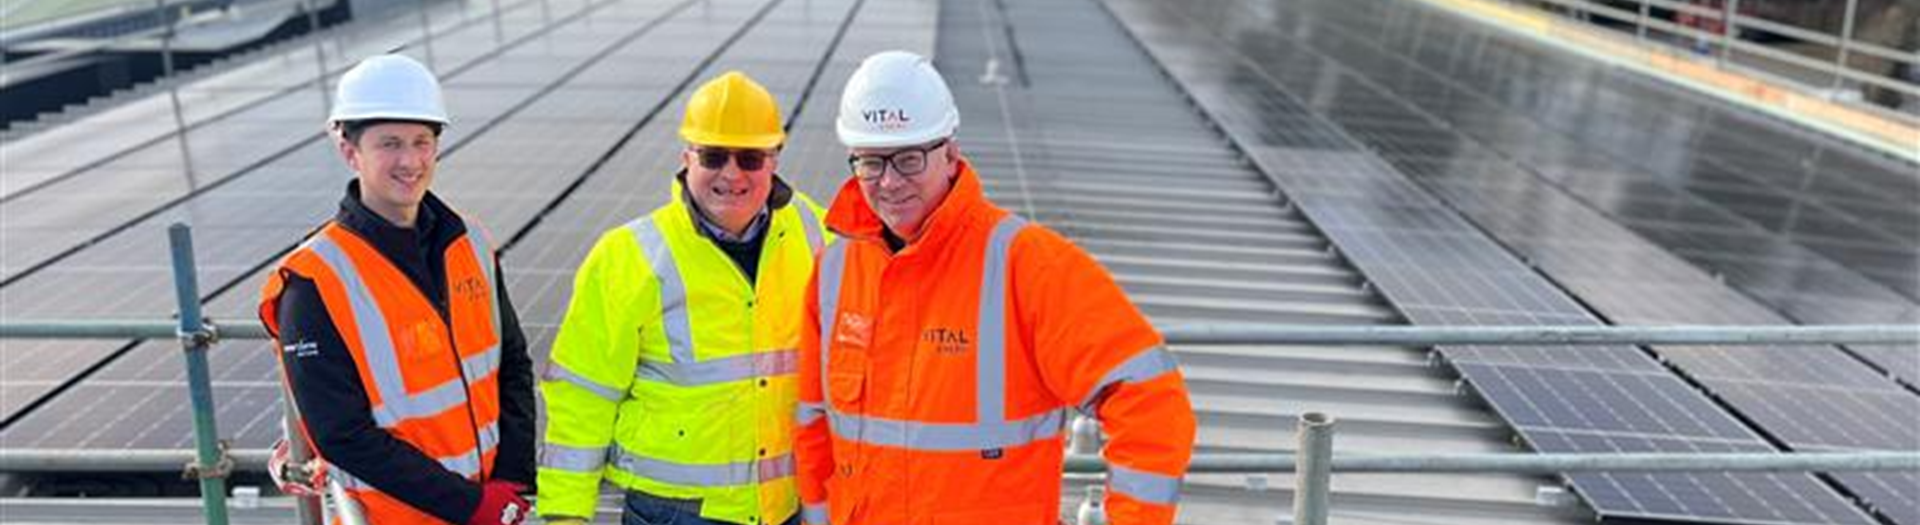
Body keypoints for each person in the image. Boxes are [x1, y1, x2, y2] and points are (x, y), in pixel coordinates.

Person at [793, 51, 1196, 525]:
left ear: (950, 152)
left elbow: (1151, 399)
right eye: (871, 162)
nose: (889, 182)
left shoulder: (1026, 264)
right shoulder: (836, 268)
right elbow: (813, 422)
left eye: (908, 159)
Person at [538, 71, 829, 525]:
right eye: (713, 156)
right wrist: (566, 514)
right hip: (672, 511)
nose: (731, 174)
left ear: (774, 160)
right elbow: (583, 395)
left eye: (750, 158)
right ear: (686, 156)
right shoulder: (629, 256)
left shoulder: (818, 234)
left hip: (787, 506)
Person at [258, 54, 537, 524]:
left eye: (421, 142)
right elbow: (341, 434)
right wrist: (471, 506)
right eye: (389, 144)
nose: (410, 161)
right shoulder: (313, 280)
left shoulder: (468, 242)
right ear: (350, 151)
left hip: (494, 509)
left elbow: (512, 364)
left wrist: (512, 481)